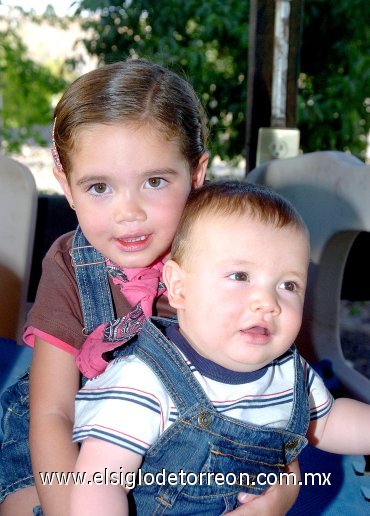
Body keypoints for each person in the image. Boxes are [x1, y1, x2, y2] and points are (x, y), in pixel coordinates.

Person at [0, 61, 298, 516]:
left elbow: (280, 387)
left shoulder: (234, 253)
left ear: (196, 174)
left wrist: (283, 492)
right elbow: (52, 413)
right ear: (66, 186)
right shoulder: (70, 264)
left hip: (188, 449)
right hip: (73, 439)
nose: (129, 212)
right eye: (99, 187)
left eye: (155, 181)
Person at [71, 180, 370, 515]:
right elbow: (99, 484)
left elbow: (327, 424)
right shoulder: (143, 380)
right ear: (180, 288)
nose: (267, 302)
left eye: (288, 284)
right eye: (240, 276)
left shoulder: (288, 372)